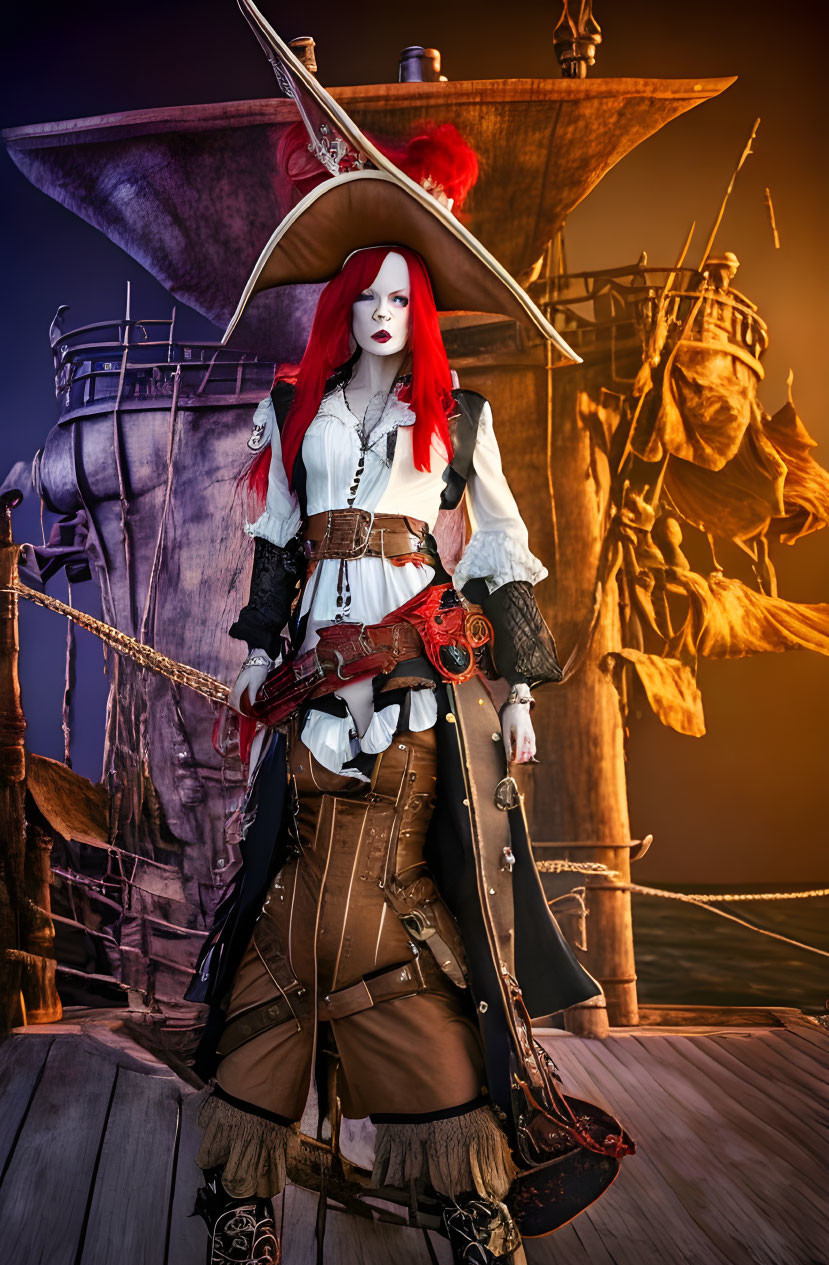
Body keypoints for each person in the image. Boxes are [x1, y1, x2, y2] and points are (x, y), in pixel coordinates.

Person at [189, 243, 632, 1265]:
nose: (383, 312)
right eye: (366, 296)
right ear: (342, 307)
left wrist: (517, 691)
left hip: (415, 675)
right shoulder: (297, 402)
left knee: (411, 873)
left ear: (418, 312)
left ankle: (461, 1173)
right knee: (284, 871)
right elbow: (280, 539)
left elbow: (494, 549)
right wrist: (260, 651)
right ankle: (245, 1196)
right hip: (309, 682)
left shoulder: (457, 415)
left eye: (402, 298)